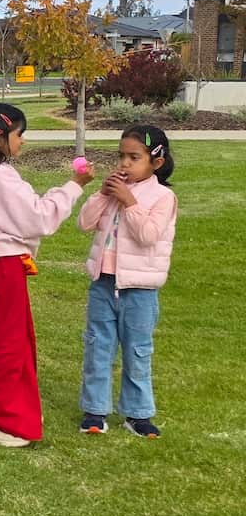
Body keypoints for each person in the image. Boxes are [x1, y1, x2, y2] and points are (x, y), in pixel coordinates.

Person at [0, 102, 94, 447]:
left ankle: (9, 411)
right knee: (6, 344)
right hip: (2, 264)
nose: (23, 141)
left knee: (13, 340)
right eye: (19, 134)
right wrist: (74, 185)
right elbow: (39, 218)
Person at [77, 125, 176, 439]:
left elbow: (148, 236)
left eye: (134, 157)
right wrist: (101, 194)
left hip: (140, 290)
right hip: (103, 283)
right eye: (121, 156)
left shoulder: (163, 197)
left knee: (137, 351)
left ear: (156, 162)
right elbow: (84, 223)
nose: (125, 163)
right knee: (98, 347)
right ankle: (94, 411)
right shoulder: (113, 191)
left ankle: (138, 414)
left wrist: (129, 201)